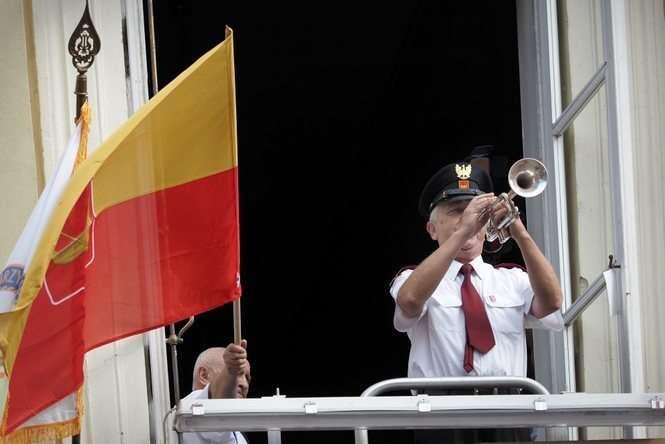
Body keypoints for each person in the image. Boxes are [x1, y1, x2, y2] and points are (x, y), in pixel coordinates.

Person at [390, 161, 563, 443]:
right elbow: (409, 301)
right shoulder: (413, 278)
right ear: (432, 229)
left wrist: (518, 230)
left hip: (507, 410)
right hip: (440, 412)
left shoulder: (512, 279)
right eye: (456, 212)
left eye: (476, 213)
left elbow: (552, 301)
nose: (468, 218)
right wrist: (463, 231)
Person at [179, 340, 251, 444]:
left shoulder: (239, 433)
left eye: (247, 378)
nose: (244, 384)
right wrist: (230, 371)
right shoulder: (190, 408)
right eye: (236, 374)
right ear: (204, 376)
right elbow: (216, 399)